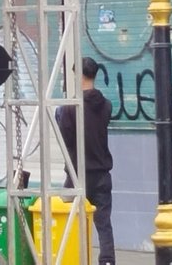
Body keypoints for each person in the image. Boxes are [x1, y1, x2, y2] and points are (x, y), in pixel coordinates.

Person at [56, 56, 115, 265]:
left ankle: (71, 258)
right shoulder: (106, 105)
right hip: (101, 172)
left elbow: (66, 139)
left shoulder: (70, 107)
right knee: (104, 223)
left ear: (79, 75)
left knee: (67, 219)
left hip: (76, 174)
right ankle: (107, 261)